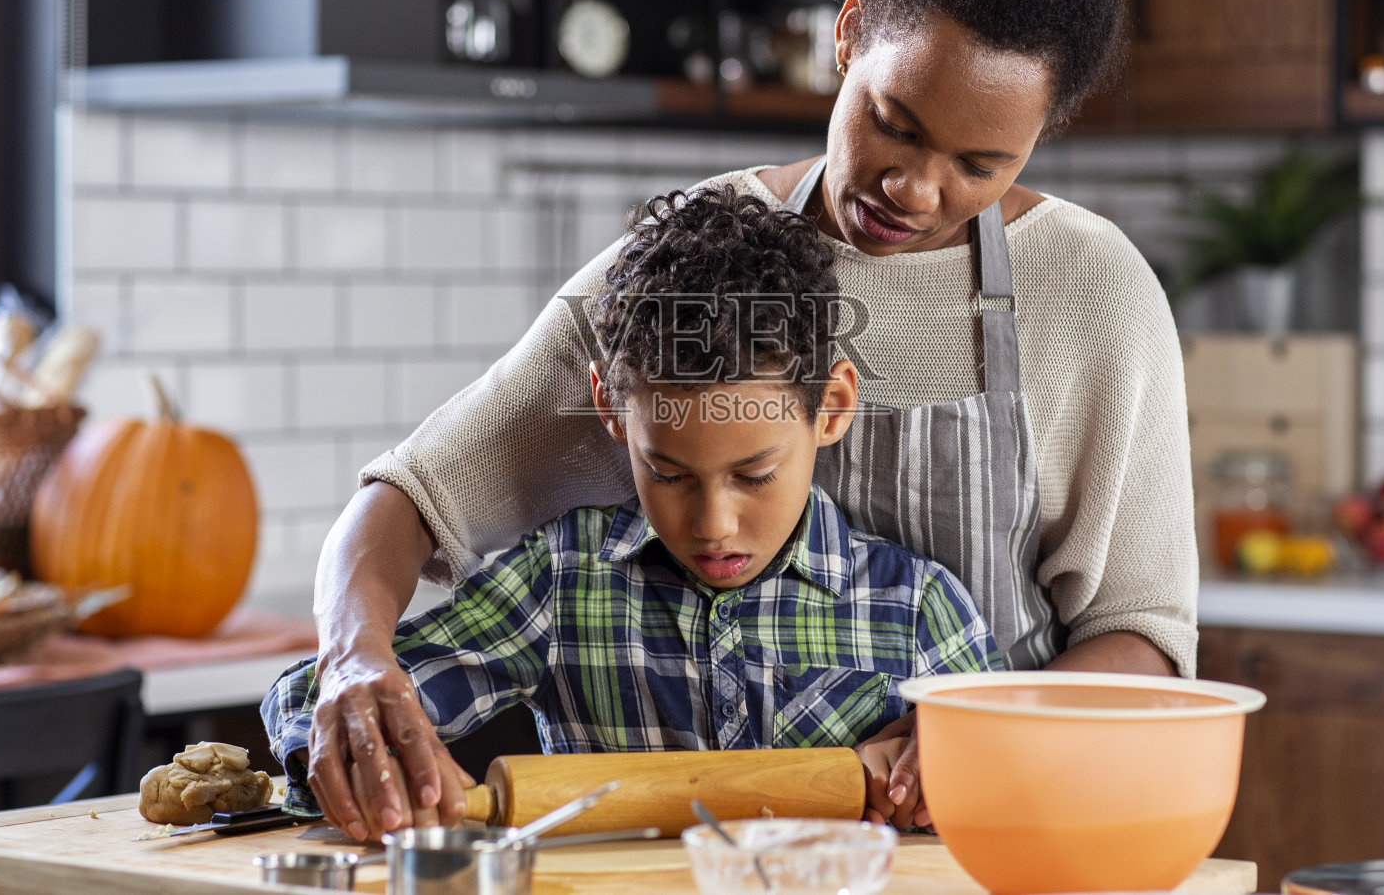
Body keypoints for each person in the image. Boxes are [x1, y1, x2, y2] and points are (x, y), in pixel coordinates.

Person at [301, 0, 1190, 842]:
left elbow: (1145, 637)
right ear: (848, 35)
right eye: (893, 122)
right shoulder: (700, 260)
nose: (916, 187)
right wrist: (352, 655)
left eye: (978, 162)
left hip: (997, 836)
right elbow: (412, 496)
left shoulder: (1089, 287)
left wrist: (979, 727)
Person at [264, 187, 1001, 831]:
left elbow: (1013, 774)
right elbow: (315, 697)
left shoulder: (915, 610)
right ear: (612, 411)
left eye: (755, 474)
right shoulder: (562, 581)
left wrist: (953, 767)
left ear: (832, 408)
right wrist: (378, 745)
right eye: (669, 473)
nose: (712, 524)